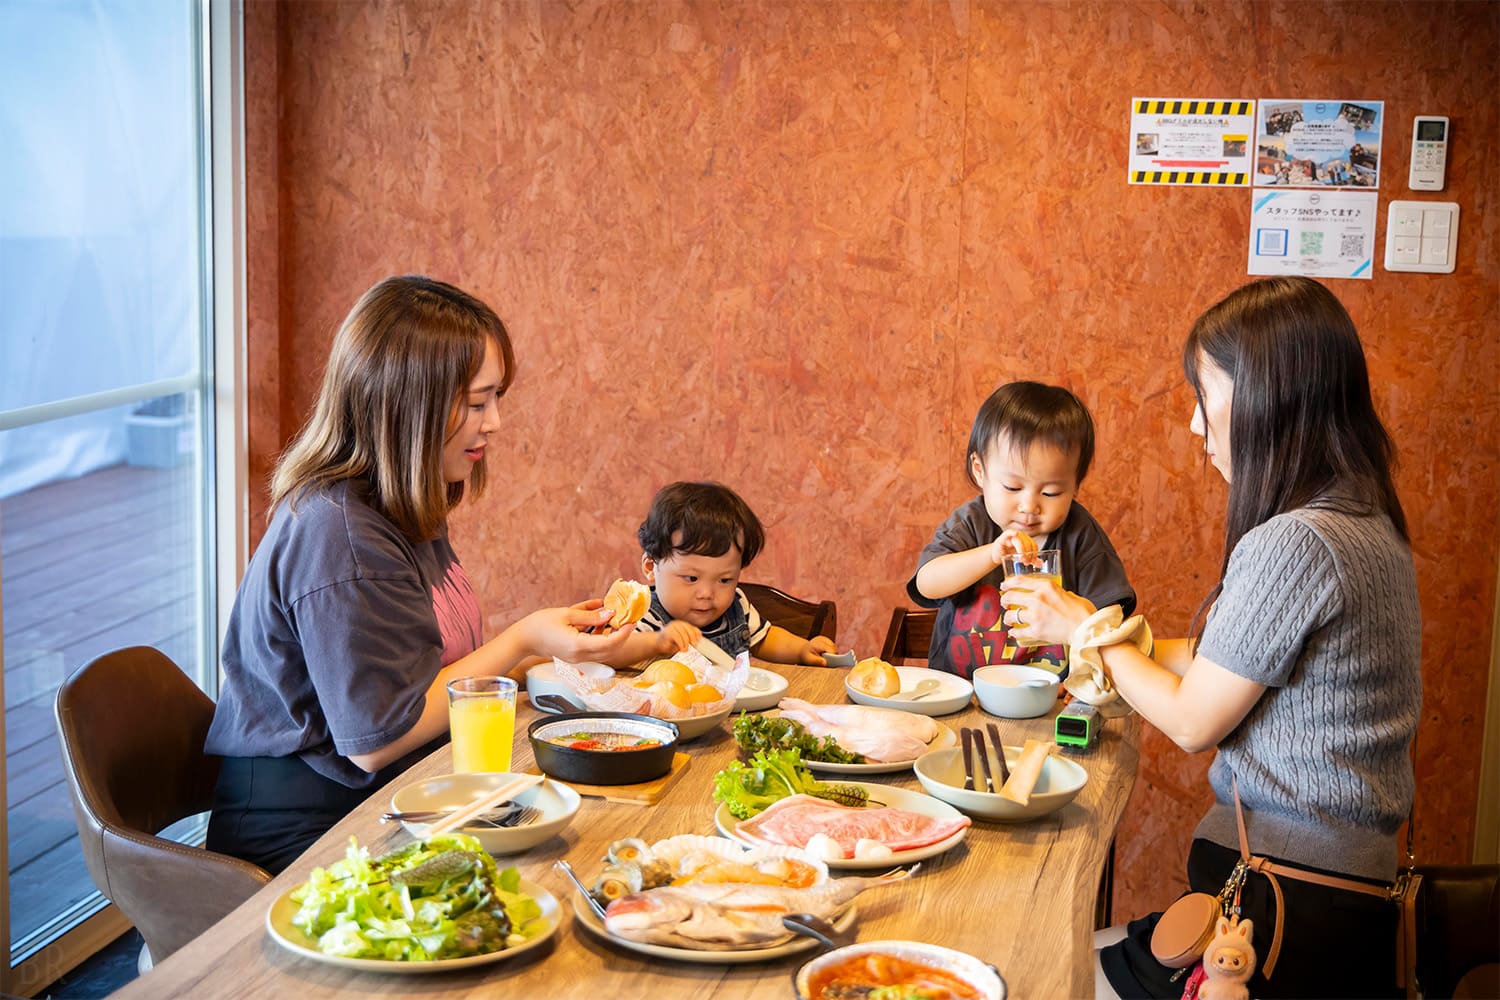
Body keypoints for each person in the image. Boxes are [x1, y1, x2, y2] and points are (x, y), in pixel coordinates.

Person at [1001, 276, 1420, 999]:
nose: (1196, 425)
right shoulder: (1365, 521)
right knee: (1067, 953)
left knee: (1031, 974)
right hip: (1336, 905)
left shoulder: (1297, 541)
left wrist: (1085, 633)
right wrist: (1098, 629)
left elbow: (1194, 720)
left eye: (1204, 395)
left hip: (1282, 912)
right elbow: (1222, 664)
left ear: (1267, 396)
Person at [204, 275, 634, 873]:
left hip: (393, 792)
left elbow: (422, 671)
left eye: (496, 398)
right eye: (478, 403)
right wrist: (522, 640)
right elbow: (377, 740)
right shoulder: (340, 537)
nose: (495, 422)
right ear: (410, 403)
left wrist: (545, 653)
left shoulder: (401, 502)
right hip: (308, 827)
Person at [907, 381, 1135, 679]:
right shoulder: (970, 524)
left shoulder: (1080, 536)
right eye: (1013, 487)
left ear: (1075, 485)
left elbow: (1108, 618)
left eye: (1051, 492)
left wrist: (1084, 676)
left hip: (1050, 696)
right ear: (980, 470)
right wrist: (990, 554)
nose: (1029, 506)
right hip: (962, 691)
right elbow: (927, 583)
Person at [600, 481, 837, 668]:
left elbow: (764, 639)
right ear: (651, 567)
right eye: (691, 578)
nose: (707, 593)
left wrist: (801, 649)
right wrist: (656, 642)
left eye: (725, 580)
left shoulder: (737, 608)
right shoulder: (644, 614)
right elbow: (607, 653)